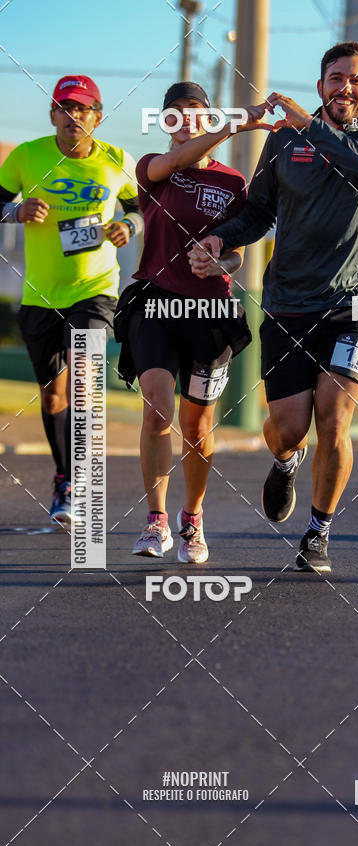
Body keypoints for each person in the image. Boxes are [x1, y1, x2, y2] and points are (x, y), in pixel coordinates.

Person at [190, 41, 358, 574]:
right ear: (320, 86)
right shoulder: (285, 142)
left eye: (355, 80)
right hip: (287, 305)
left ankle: (318, 532)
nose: (345, 87)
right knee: (287, 427)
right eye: (336, 78)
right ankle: (286, 460)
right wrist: (221, 239)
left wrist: (309, 125)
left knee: (334, 419)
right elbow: (259, 212)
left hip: (352, 305)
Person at [117, 82, 270, 562]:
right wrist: (238, 121)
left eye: (196, 111)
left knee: (198, 425)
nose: (185, 118)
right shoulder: (153, 168)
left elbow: (238, 254)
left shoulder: (233, 182)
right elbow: (182, 159)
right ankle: (156, 521)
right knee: (157, 410)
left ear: (208, 117)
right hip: (155, 304)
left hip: (210, 311)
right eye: (175, 112)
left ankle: (193, 520)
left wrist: (220, 261)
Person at [0, 75, 141, 525]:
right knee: (52, 396)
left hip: (94, 290)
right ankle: (64, 478)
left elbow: (141, 207)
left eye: (82, 109)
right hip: (39, 295)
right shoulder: (27, 156)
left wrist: (129, 226)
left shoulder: (117, 160)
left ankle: (81, 480)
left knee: (83, 379)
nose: (73, 116)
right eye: (64, 108)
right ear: (52, 116)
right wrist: (15, 211)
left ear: (97, 117)